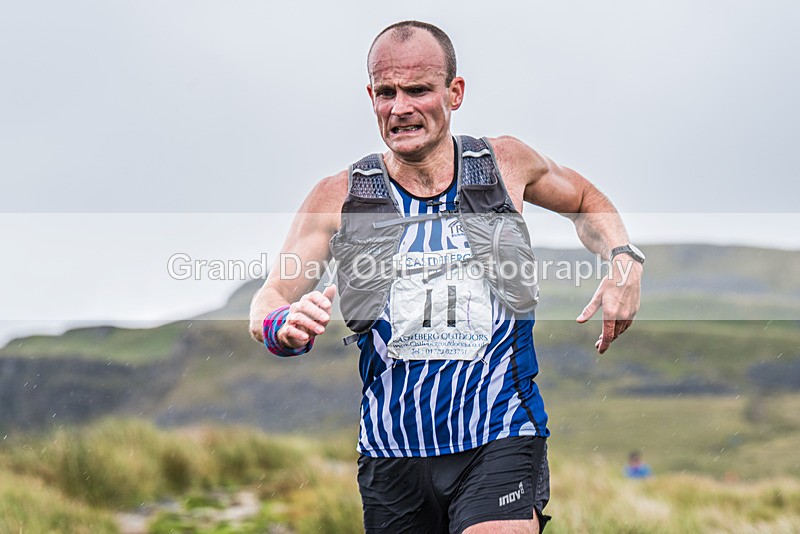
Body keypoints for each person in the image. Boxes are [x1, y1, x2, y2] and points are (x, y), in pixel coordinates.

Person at [249, 20, 643, 534]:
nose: (400, 107)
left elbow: (588, 201)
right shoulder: (338, 196)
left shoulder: (504, 163)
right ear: (370, 95)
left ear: (454, 93)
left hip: (500, 432)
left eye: (418, 90)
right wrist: (283, 324)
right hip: (393, 452)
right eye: (386, 92)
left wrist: (624, 260)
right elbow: (271, 297)